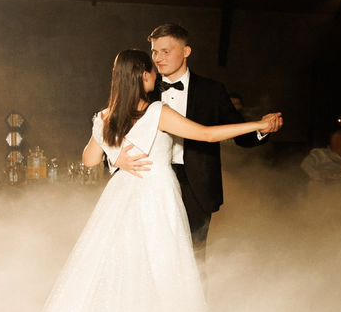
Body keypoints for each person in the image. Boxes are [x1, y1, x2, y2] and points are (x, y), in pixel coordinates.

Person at [33, 49, 278, 312]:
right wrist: (257, 125)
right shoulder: (157, 112)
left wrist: (116, 157)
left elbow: (89, 160)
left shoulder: (106, 117)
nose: (156, 74)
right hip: (157, 195)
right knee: (163, 265)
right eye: (152, 68)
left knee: (119, 264)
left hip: (121, 195)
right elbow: (206, 135)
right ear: (143, 75)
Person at [113, 24, 282, 277]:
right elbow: (113, 130)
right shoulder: (143, 87)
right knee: (149, 256)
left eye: (166, 51)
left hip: (196, 185)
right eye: (154, 52)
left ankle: (194, 303)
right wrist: (115, 160)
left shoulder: (212, 90)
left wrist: (262, 128)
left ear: (186, 51)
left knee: (193, 259)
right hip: (148, 182)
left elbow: (239, 134)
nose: (158, 58)